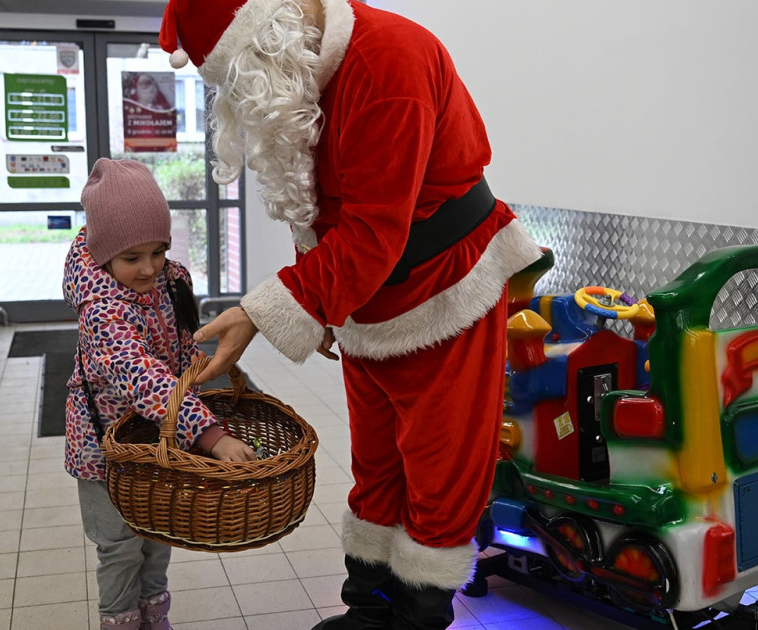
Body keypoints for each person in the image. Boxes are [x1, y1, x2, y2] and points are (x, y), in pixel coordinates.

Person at [159, 1, 544, 628]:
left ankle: (419, 613)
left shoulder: (390, 58)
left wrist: (263, 312)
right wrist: (329, 312)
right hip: (365, 302)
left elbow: (372, 232)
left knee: (439, 466)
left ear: (270, 33)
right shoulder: (306, 76)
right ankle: (369, 606)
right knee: (376, 461)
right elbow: (311, 204)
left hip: (445, 291)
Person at [63, 158, 256, 630]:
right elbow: (143, 376)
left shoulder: (171, 280)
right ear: (103, 251)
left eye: (159, 251)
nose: (149, 267)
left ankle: (155, 617)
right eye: (132, 258)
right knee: (120, 547)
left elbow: (181, 347)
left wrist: (204, 376)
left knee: (157, 535)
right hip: (105, 452)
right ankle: (121, 622)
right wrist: (210, 436)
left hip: (159, 441)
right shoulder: (102, 312)